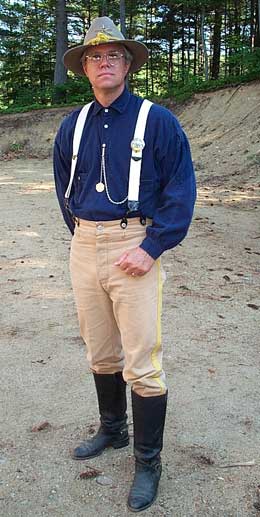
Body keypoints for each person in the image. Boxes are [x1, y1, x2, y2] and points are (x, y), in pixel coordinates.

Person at [53, 16, 196, 513]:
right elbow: (64, 188)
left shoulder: (158, 120)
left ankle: (148, 461)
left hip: (135, 245)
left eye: (114, 55)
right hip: (84, 246)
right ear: (85, 68)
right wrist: (85, 240)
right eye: (94, 56)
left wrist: (150, 246)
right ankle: (112, 430)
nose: (104, 62)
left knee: (142, 360)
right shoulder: (73, 124)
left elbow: (180, 190)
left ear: (128, 64)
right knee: (100, 349)